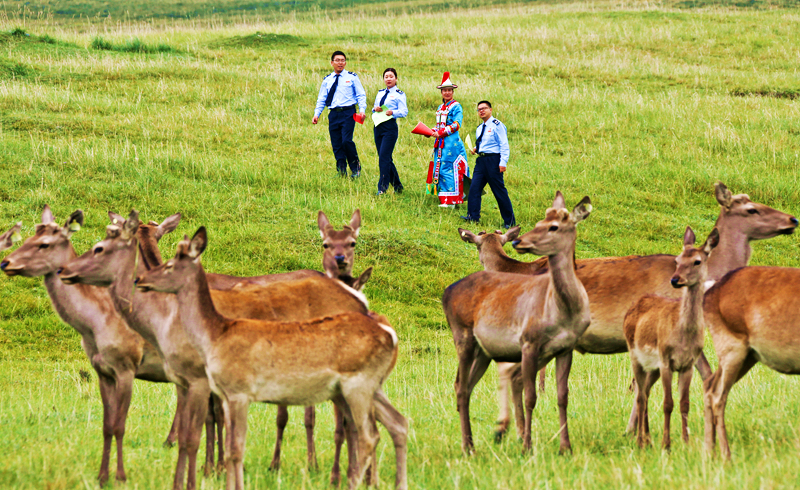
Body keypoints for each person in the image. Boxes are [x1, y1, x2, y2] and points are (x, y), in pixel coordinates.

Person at [312, 51, 367, 179]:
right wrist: (317, 114)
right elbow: (322, 98)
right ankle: (341, 170)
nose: (340, 63)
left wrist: (362, 110)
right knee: (336, 143)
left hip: (348, 113)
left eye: (342, 60)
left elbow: (360, 94)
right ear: (332, 63)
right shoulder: (327, 80)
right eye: (337, 60)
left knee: (346, 141)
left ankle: (355, 168)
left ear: (345, 62)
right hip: (333, 114)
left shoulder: (352, 77)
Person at [461, 100, 516, 228]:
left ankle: (509, 221)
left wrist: (503, 162)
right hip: (481, 161)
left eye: (484, 108)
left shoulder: (497, 125)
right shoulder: (480, 128)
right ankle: (472, 216)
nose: (481, 111)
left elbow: (503, 145)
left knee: (499, 191)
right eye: (479, 109)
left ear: (490, 110)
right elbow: (484, 144)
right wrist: (475, 148)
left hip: (493, 161)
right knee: (474, 188)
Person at [426, 72, 469, 207]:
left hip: (451, 143)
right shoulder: (440, 107)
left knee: (448, 167)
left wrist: (440, 132)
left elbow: (457, 124)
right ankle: (444, 197)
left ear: (453, 92)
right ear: (441, 92)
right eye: (445, 90)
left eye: (449, 90)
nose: (447, 93)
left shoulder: (456, 106)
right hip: (440, 143)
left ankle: (451, 200)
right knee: (439, 168)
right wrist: (431, 131)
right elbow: (439, 125)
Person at [372, 68, 407, 195]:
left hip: (390, 128)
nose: (388, 79)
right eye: (386, 76)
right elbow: (374, 108)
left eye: (391, 76)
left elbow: (404, 112)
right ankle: (398, 185)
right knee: (385, 157)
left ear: (396, 79)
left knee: (383, 158)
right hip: (378, 125)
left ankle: (382, 188)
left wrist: (393, 112)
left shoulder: (399, 94)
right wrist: (375, 109)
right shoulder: (380, 93)